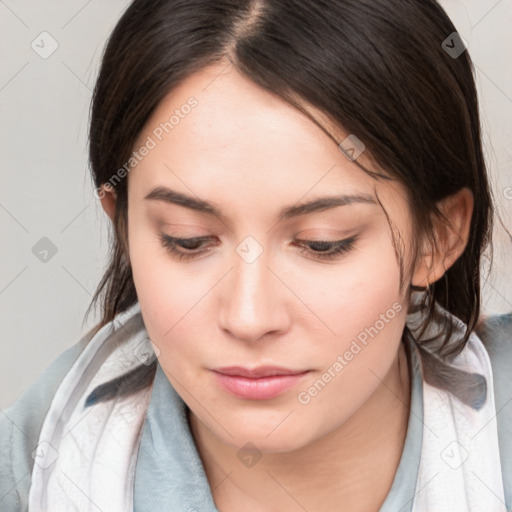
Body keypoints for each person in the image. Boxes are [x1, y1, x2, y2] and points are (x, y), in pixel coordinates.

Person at [1, 0, 511, 511]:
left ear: (439, 237)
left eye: (321, 243)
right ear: (125, 226)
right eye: (188, 239)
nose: (249, 318)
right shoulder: (36, 466)